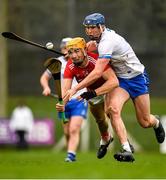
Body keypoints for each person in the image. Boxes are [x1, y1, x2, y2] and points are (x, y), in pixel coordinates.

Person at [63, 13, 165, 162]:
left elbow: (98, 72)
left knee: (144, 122)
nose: (90, 31)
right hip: (120, 80)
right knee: (112, 109)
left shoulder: (107, 42)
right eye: (87, 28)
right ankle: (127, 149)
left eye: (92, 28)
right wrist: (75, 54)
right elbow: (87, 48)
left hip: (137, 78)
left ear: (101, 27)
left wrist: (75, 88)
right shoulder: (97, 40)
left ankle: (155, 122)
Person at [58, 37, 127, 160]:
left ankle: (126, 146)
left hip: (109, 87)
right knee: (100, 120)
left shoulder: (95, 60)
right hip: (91, 93)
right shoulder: (70, 66)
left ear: (84, 50)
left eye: (77, 51)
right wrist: (62, 103)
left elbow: (113, 82)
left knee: (111, 111)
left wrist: (94, 93)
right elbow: (66, 91)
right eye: (71, 52)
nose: (73, 56)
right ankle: (106, 139)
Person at [40, 37, 88, 162]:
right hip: (63, 102)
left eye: (71, 49)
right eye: (65, 48)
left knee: (74, 129)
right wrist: (46, 88)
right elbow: (44, 78)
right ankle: (70, 152)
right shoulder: (57, 63)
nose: (67, 51)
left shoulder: (80, 62)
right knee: (67, 132)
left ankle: (71, 155)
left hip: (79, 99)